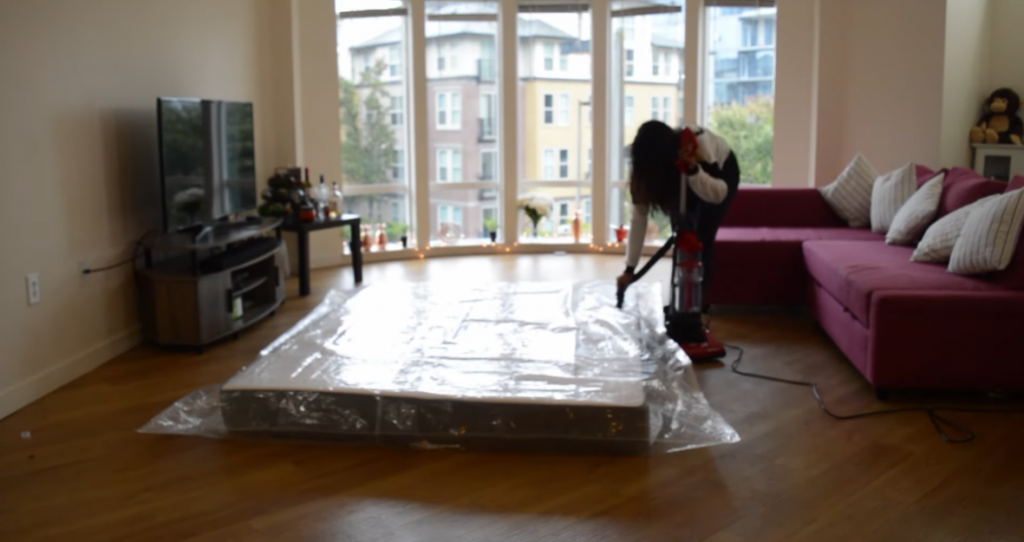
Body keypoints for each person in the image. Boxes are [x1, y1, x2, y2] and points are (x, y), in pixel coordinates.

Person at [616, 120, 741, 310]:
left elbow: (718, 194)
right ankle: (680, 303)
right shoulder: (644, 168)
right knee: (681, 237)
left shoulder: (698, 147)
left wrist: (692, 170)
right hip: (682, 179)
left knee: (700, 239)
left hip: (717, 175)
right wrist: (629, 270)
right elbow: (638, 219)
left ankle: (698, 307)